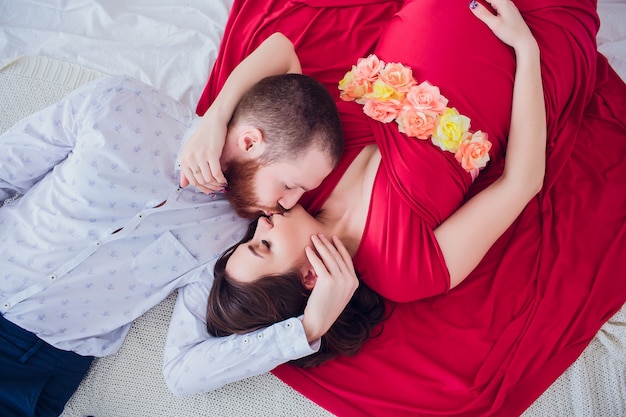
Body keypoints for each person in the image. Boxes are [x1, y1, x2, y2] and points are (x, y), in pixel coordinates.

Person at [165, 0, 626, 416]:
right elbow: (523, 181)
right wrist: (527, 49)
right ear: (310, 277)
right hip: (531, 37)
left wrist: (216, 117)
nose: (263, 220)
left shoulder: (305, 179)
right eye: (263, 245)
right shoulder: (407, 271)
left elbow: (283, 52)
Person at [0, 35, 345, 416]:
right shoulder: (122, 104)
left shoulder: (234, 237)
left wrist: (308, 328)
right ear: (250, 142)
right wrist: (216, 116)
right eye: (289, 185)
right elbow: (282, 51)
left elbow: (184, 370)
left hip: (37, 361)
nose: (288, 204)